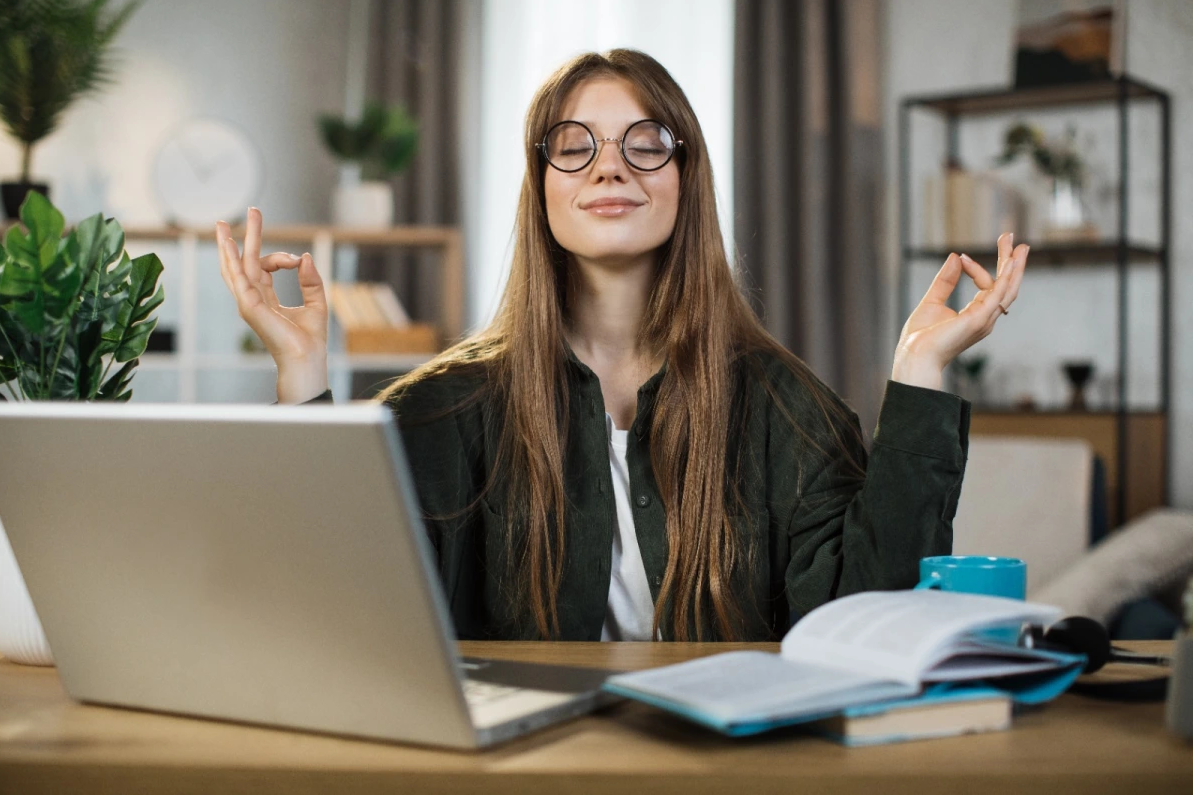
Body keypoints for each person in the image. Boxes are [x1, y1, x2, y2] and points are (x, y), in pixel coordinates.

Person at [216, 49, 1028, 643]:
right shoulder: (438, 411)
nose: (609, 168)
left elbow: (872, 621)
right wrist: (302, 374)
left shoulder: (789, 409)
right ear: (542, 186)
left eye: (646, 143)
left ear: (686, 176)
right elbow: (335, 610)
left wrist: (920, 372)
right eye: (575, 146)